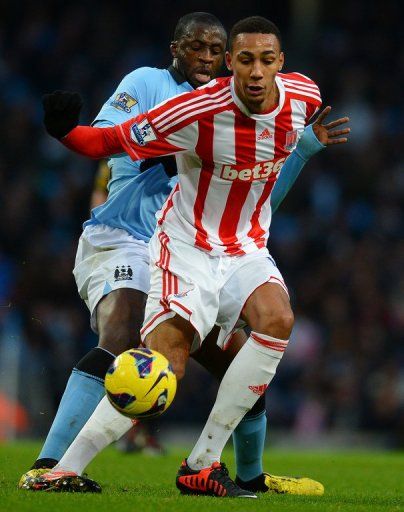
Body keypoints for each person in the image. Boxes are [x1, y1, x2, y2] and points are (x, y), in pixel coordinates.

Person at [32, 16, 350, 498]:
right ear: (229, 63)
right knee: (150, 356)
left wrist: (304, 149)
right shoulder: (182, 104)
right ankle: (53, 465)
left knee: (263, 337)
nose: (256, 71)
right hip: (150, 240)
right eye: (242, 59)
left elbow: (262, 192)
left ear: (281, 64)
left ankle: (226, 470)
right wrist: (66, 133)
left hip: (242, 246)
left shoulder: (303, 98)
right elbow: (108, 142)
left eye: (266, 60)